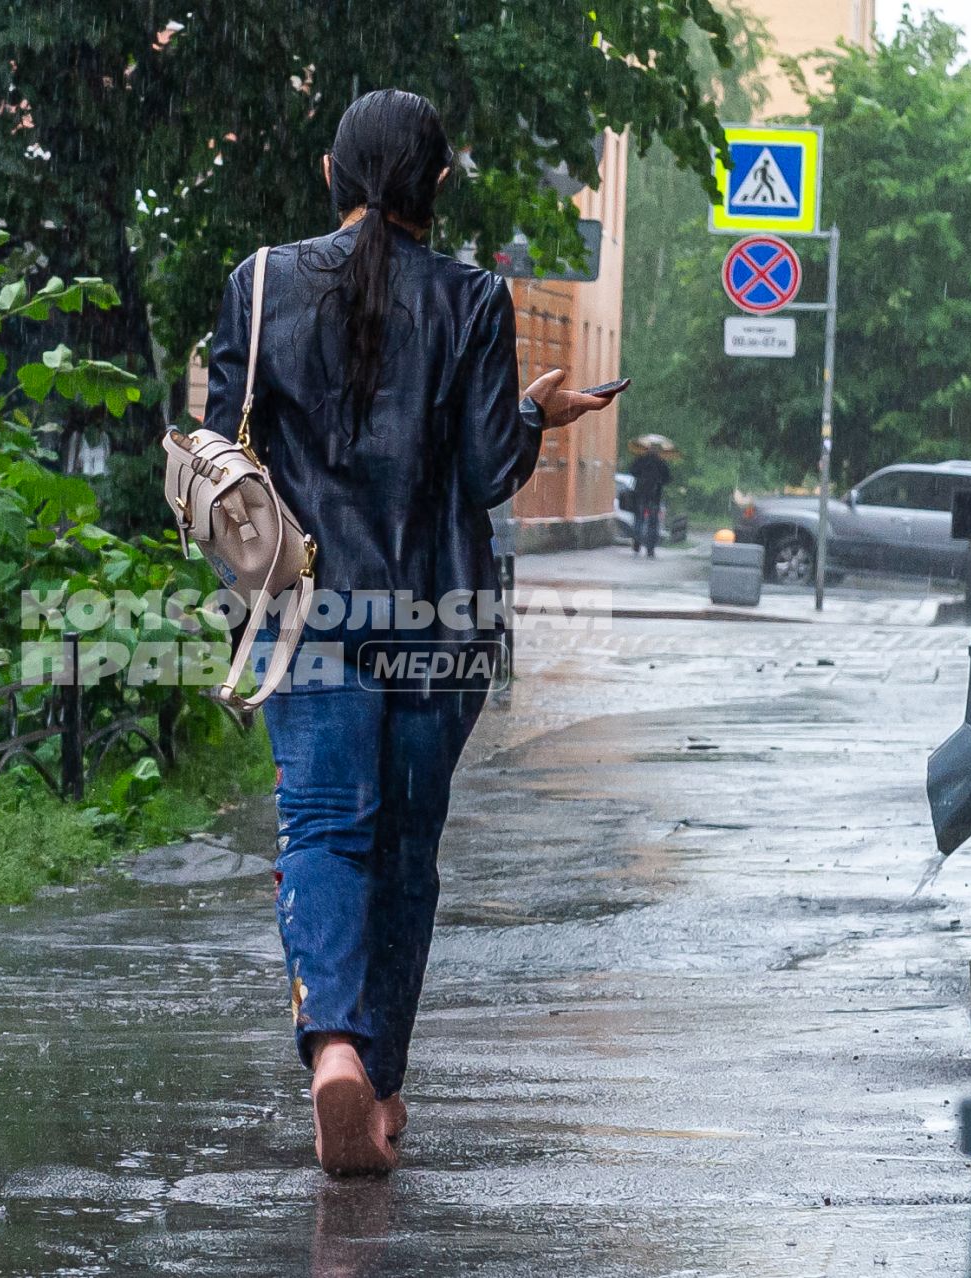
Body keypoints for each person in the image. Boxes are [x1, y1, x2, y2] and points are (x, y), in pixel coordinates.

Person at [203, 89, 614, 1175]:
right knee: (405, 855)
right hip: (442, 619)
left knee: (326, 835)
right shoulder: (475, 297)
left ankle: (331, 1044)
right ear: (436, 185)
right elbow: (485, 475)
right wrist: (531, 415)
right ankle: (381, 1094)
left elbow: (219, 453)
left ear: (332, 173)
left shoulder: (261, 284)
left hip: (309, 613)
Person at [627, 447, 672, 557]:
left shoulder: (641, 460)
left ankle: (637, 545)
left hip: (640, 495)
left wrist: (641, 477)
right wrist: (659, 481)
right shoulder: (661, 463)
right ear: (657, 452)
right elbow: (668, 479)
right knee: (653, 523)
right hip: (655, 496)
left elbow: (632, 471)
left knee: (639, 520)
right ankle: (650, 549)